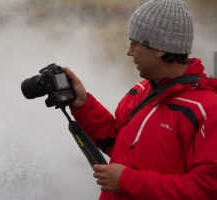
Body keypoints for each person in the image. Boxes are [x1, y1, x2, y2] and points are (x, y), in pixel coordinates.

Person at [65, 0, 217, 199]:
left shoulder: (207, 109)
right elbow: (118, 143)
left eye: (134, 44)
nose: (129, 52)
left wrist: (126, 180)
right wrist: (82, 104)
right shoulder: (141, 91)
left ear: (159, 48)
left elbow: (206, 188)